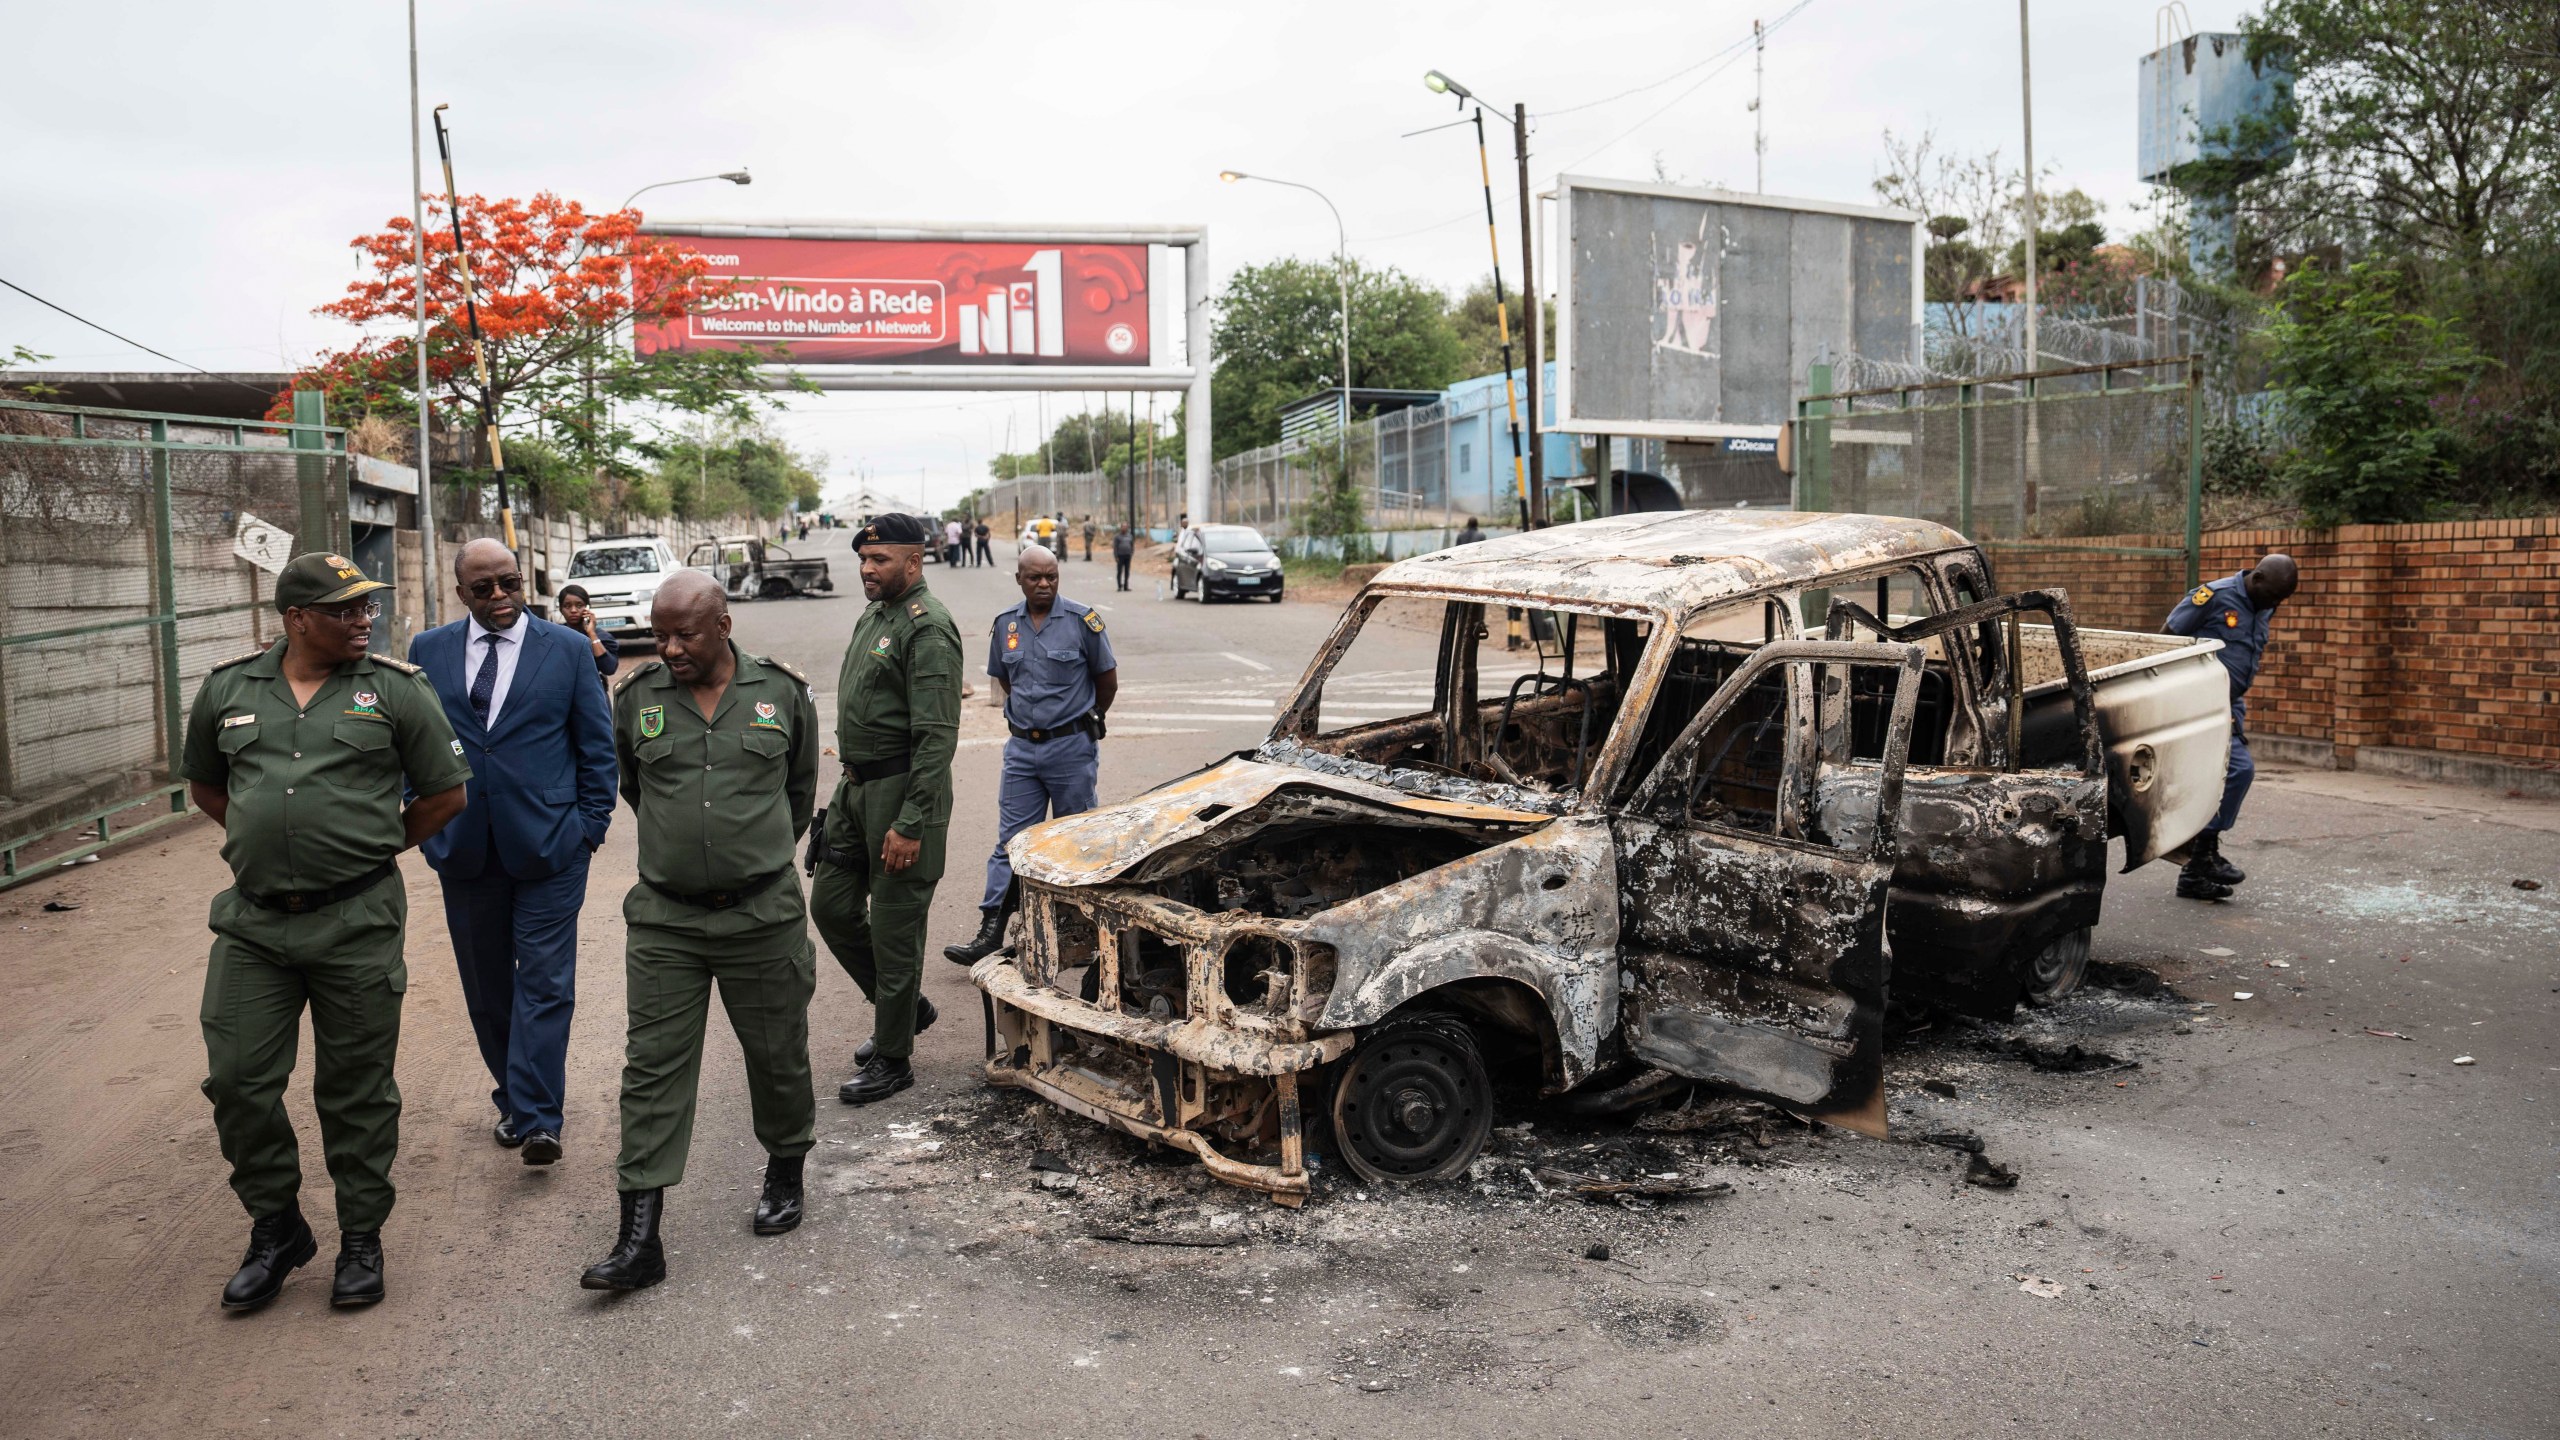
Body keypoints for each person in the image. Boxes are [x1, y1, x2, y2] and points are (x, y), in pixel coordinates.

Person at [182, 552, 471, 1312]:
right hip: (253, 922)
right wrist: (271, 846)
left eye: (366, 607)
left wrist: (361, 850)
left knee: (356, 1091)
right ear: (297, 618)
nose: (362, 619)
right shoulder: (227, 689)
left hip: (357, 918)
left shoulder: (396, 690)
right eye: (345, 609)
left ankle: (361, 1238)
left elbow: (445, 794)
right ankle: (277, 1228)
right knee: (238, 1081)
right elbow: (209, 785)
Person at [579, 571, 821, 1291]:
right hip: (667, 918)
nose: (669, 647)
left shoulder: (781, 694)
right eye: (660, 634)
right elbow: (634, 786)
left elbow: (799, 792)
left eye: (684, 633)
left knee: (777, 1054)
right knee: (651, 1069)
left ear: (723, 626)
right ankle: (639, 1237)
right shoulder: (638, 699)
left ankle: (785, 1171)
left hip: (761, 914)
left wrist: (751, 853)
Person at [411, 540, 618, 1168]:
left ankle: (538, 1119)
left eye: (510, 583)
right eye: (484, 589)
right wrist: (423, 821)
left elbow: (596, 746)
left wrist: (590, 828)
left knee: (547, 984)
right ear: (460, 593)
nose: (499, 597)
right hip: (465, 847)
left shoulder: (568, 649)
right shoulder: (429, 650)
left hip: (553, 844)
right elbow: (411, 740)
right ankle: (513, 1097)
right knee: (488, 987)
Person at [807, 513, 963, 1105]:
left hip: (902, 794)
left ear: (914, 562)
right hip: (854, 790)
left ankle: (893, 1056)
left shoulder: (929, 629)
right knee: (831, 906)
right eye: (864, 560)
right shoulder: (877, 614)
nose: (868, 569)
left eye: (880, 560)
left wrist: (911, 820)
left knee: (897, 931)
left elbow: (936, 737)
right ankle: (903, 1010)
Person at [944, 545, 1117, 966]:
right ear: (1019, 579)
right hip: (1022, 749)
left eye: (1051, 577)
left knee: (1074, 839)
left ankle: (1078, 931)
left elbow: (1106, 679)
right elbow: (1005, 678)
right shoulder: (1006, 625)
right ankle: (991, 930)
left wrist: (1088, 719)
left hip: (1071, 747)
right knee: (1011, 841)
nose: (1044, 584)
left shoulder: (1082, 621)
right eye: (1035, 577)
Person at [2163, 553, 2300, 901]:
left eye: (2281, 600)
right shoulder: (2212, 596)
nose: (2275, 605)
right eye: (2273, 598)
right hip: (2200, 700)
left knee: (2224, 774)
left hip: (2228, 705)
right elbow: (2166, 638)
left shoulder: (2264, 604)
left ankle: (2195, 872)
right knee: (2239, 770)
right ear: (2257, 579)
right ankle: (2202, 851)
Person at [554, 584, 622, 679]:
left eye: (579, 605)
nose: (573, 610)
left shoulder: (602, 636)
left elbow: (609, 668)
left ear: (588, 607)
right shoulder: (555, 635)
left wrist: (591, 634)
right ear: (561, 609)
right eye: (567, 606)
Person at [1111, 523, 1135, 592]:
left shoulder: (1130, 536)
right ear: (1121, 528)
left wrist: (1132, 552)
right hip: (1120, 556)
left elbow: (1132, 545)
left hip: (1128, 555)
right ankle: (1119, 586)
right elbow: (1115, 547)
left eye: (1125, 527)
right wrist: (1116, 556)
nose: (1124, 528)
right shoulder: (1117, 536)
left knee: (1127, 571)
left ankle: (1126, 586)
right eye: (1123, 527)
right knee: (1119, 571)